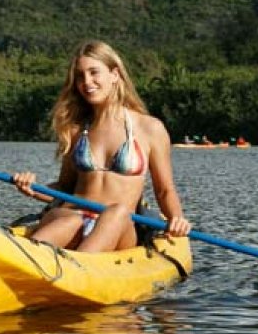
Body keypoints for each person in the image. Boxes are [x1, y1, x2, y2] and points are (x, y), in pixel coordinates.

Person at [12, 40, 191, 252]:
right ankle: (27, 261)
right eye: (80, 76)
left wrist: (177, 219)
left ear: (114, 75)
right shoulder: (75, 130)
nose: (87, 82)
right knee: (71, 219)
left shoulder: (149, 128)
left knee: (117, 212)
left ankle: (78, 271)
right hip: (71, 215)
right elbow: (65, 188)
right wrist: (32, 189)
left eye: (94, 72)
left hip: (118, 227)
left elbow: (164, 190)